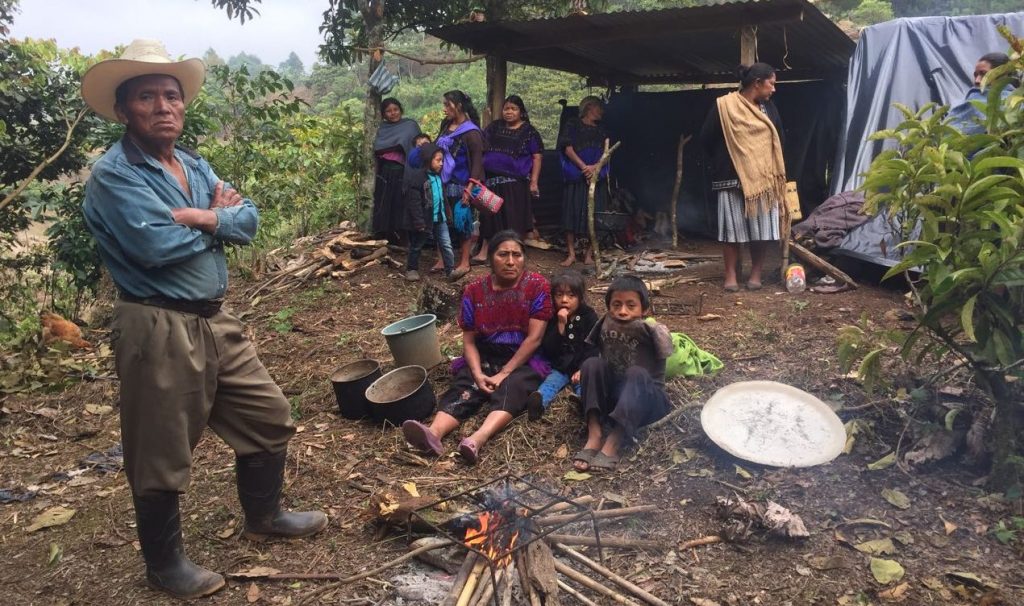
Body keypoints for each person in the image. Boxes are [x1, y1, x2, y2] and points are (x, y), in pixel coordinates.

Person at [80, 40, 326, 600]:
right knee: (160, 449)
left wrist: (204, 215)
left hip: (215, 319)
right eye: (148, 97)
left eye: (172, 94)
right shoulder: (115, 175)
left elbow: (250, 220)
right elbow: (156, 246)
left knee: (268, 415)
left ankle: (265, 515)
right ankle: (164, 565)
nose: (164, 105)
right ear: (124, 111)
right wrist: (219, 219)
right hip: (157, 324)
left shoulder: (191, 163)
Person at [401, 230, 552, 465]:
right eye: (503, 255)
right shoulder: (474, 291)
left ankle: (477, 439)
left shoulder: (537, 286)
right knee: (466, 384)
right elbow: (469, 340)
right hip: (486, 352)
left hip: (523, 356)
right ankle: (434, 433)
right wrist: (478, 373)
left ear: (524, 258)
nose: (511, 261)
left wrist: (504, 373)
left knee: (514, 387)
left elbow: (534, 338)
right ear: (491, 258)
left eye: (517, 255)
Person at [700, 62, 786, 292]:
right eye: (772, 84)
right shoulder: (724, 106)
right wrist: (725, 160)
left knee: (762, 229)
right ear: (757, 83)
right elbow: (707, 138)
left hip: (762, 179)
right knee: (732, 230)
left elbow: (778, 138)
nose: (774, 89)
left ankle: (755, 275)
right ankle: (730, 276)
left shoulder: (769, 109)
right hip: (731, 177)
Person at [574, 276, 673, 472]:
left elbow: (664, 357)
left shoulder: (653, 330)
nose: (622, 311)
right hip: (617, 400)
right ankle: (595, 434)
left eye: (631, 305)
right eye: (616, 305)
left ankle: (614, 440)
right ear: (608, 306)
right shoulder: (605, 323)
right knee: (592, 363)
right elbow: (594, 348)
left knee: (636, 373)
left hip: (647, 401)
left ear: (644, 309)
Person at [473, 95, 544, 262]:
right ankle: (485, 252)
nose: (509, 112)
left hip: (514, 183)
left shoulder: (529, 131)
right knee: (488, 217)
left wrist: (534, 182)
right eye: (506, 108)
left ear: (521, 112)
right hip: (490, 181)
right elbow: (481, 146)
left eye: (513, 109)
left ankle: (512, 255)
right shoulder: (494, 127)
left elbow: (537, 157)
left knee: (513, 218)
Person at [526, 269, 598, 420]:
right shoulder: (551, 316)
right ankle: (538, 402)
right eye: (559, 295)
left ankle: (582, 401)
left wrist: (583, 368)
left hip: (580, 365)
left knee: (582, 384)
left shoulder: (589, 316)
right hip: (559, 366)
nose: (564, 300)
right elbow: (549, 347)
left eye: (571, 296)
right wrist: (560, 324)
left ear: (580, 297)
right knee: (551, 383)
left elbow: (592, 346)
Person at [435, 90, 484, 278]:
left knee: (463, 223)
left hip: (461, 183)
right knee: (440, 221)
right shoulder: (445, 125)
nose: (444, 109)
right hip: (442, 181)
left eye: (448, 105)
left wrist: (470, 188)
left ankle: (464, 262)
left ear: (459, 106)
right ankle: (442, 259)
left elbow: (478, 163)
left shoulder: (471, 132)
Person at [558, 95, 610, 267]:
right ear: (589, 108)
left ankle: (589, 254)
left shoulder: (602, 130)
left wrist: (595, 167)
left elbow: (606, 152)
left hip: (595, 176)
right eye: (598, 108)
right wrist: (583, 167)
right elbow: (567, 148)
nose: (601, 112)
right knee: (570, 213)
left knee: (595, 214)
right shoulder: (572, 124)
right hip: (576, 175)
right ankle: (571, 254)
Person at [404, 140, 458, 281]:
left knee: (446, 244)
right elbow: (414, 202)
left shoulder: (438, 178)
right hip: (425, 219)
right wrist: (419, 221)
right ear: (429, 160)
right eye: (438, 160)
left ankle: (450, 271)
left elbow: (442, 198)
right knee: (417, 245)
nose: (441, 163)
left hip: (440, 218)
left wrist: (447, 213)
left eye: (442, 160)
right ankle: (412, 269)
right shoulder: (417, 178)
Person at [372, 97, 421, 243]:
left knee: (400, 203)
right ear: (383, 114)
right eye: (388, 111)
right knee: (384, 203)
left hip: (402, 171)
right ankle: (386, 237)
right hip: (384, 172)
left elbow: (417, 149)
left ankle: (403, 238)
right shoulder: (381, 128)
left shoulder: (410, 126)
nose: (393, 113)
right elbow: (377, 149)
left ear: (401, 110)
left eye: (395, 110)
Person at [948, 52, 1013, 135]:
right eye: (975, 75)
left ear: (1002, 74)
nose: (977, 80)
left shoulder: (975, 98)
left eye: (984, 74)